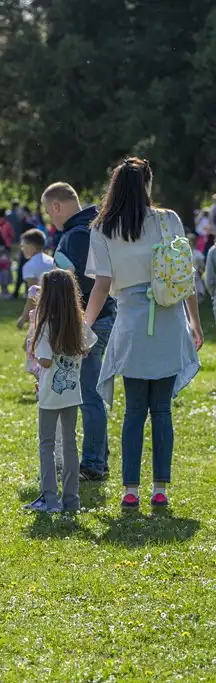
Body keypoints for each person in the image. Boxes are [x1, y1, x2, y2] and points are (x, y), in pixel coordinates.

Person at [84, 158, 203, 510]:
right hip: (168, 316)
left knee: (134, 410)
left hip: (132, 321)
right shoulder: (168, 219)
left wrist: (84, 326)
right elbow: (185, 276)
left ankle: (130, 490)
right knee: (162, 410)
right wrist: (194, 321)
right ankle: (160, 488)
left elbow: (101, 286)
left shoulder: (102, 227)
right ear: (147, 184)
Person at [42, 182, 117, 480]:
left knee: (89, 395)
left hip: (88, 322)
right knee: (91, 393)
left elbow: (81, 287)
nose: (50, 218)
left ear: (58, 206)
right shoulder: (92, 227)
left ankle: (93, 464)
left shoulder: (75, 236)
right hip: (99, 319)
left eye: (49, 211)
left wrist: (77, 326)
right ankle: (99, 458)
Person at [20, 270, 97, 514]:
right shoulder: (79, 323)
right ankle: (72, 500)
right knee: (71, 443)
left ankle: (50, 500)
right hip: (73, 392)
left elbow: (43, 361)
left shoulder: (45, 325)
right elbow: (86, 349)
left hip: (50, 394)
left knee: (47, 444)